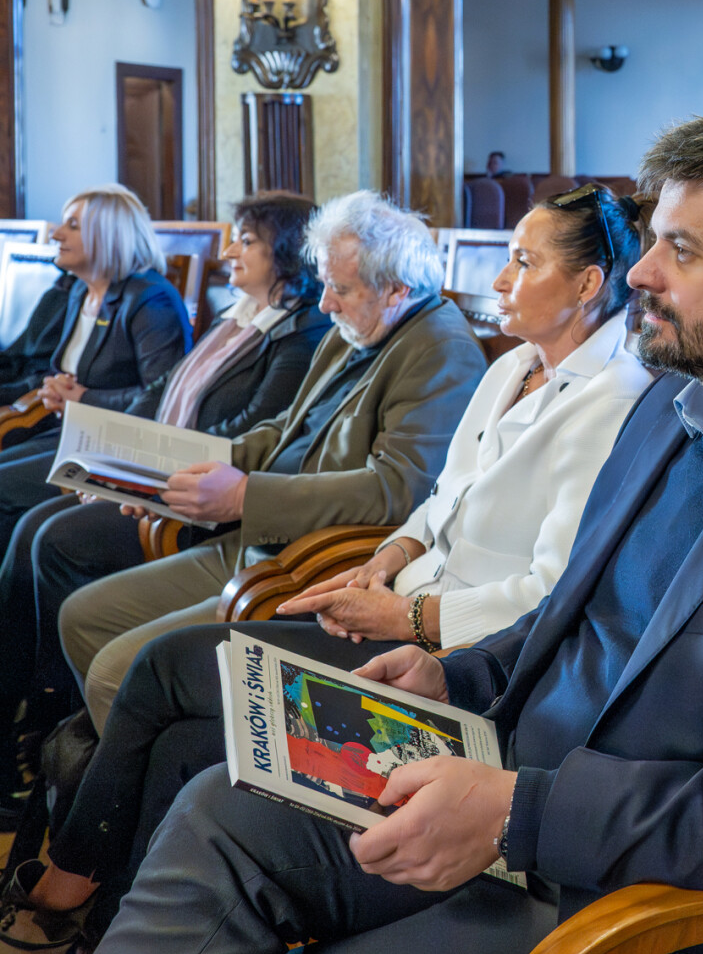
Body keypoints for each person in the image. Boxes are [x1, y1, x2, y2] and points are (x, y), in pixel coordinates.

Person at [85, 107, 703, 954]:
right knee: (217, 812)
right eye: (651, 242)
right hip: (506, 775)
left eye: (682, 250)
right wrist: (457, 675)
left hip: (639, 886)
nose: (641, 272)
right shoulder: (670, 406)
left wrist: (521, 812)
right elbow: (571, 613)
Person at [0, 186, 654, 954]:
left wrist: (410, 618)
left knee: (169, 676)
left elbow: (552, 593)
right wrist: (387, 558)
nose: (500, 279)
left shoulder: (615, 397)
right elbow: (437, 498)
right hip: (398, 597)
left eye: (523, 261)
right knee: (175, 724)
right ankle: (106, 915)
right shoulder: (514, 364)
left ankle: (80, 898)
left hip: (455, 651)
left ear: (587, 283)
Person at [56, 190, 487, 729]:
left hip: (303, 562)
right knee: (81, 617)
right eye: (326, 284)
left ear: (397, 289)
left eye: (340, 288)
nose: (324, 304)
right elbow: (284, 428)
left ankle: (137, 772)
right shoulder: (357, 327)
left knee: (113, 670)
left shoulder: (441, 350)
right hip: (255, 540)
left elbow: (398, 488)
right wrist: (171, 476)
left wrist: (244, 496)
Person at [0, 192, 329, 805]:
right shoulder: (239, 315)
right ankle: (35, 710)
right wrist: (115, 456)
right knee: (37, 528)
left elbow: (252, 432)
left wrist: (146, 475)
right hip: (169, 472)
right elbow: (163, 390)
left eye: (246, 241)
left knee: (53, 540)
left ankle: (49, 714)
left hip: (204, 501)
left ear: (285, 253)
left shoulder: (301, 331)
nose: (229, 250)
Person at [0, 186, 191, 552]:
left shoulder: (150, 297)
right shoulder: (80, 290)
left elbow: (165, 395)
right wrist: (56, 390)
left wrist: (85, 398)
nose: (57, 234)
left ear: (109, 235)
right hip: (67, 431)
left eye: (72, 226)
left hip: (118, 443)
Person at [0, 268, 73, 406]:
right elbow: (19, 351)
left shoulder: (81, 297)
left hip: (38, 383)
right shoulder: (58, 289)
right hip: (20, 368)